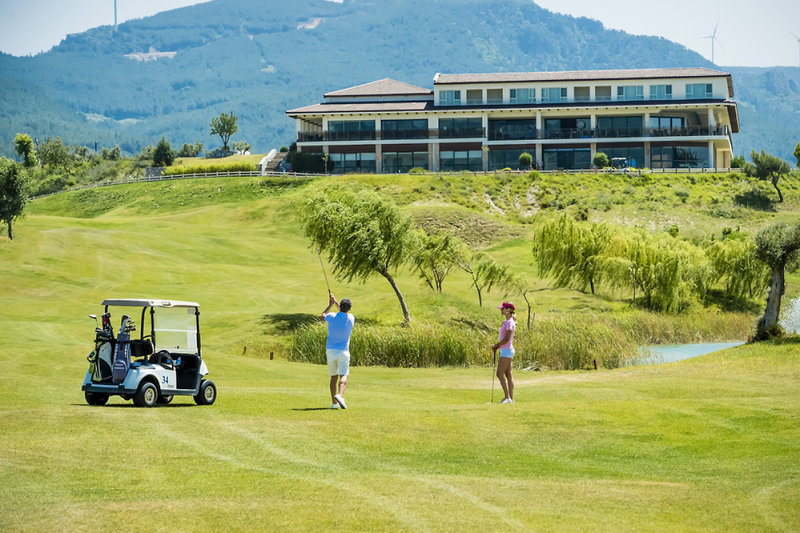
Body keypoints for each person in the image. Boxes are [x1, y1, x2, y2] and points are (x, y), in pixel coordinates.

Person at [320, 293, 354, 409]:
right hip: (343, 351)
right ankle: (340, 395)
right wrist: (335, 302)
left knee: (333, 377)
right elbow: (342, 311)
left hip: (330, 350)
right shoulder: (351, 318)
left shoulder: (332, 316)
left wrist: (330, 304)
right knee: (344, 375)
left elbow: (322, 316)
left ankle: (334, 403)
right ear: (349, 308)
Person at [492, 301, 516, 404]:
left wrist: (496, 345)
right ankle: (511, 399)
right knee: (508, 374)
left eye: (503, 309)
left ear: (508, 310)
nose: (501, 310)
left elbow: (507, 339)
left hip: (506, 350)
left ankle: (507, 397)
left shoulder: (509, 322)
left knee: (499, 373)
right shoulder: (508, 322)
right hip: (507, 350)